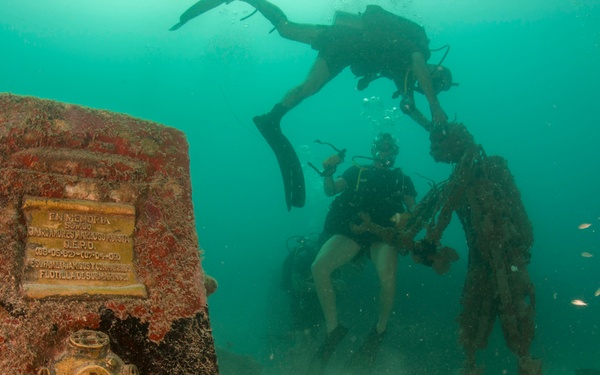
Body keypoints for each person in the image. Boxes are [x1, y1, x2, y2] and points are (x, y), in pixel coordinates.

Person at [170, 0, 456, 210]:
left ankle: (272, 117)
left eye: (439, 88)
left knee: (309, 88)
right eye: (439, 79)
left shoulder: (404, 75)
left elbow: (407, 107)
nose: (435, 84)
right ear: (439, 67)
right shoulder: (418, 52)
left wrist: (430, 126)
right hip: (347, 37)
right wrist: (435, 107)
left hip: (344, 51)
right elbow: (420, 68)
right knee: (285, 29)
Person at [308, 133, 416, 372]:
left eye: (390, 148)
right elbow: (330, 190)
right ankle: (333, 330)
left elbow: (413, 210)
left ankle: (379, 331)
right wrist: (328, 171)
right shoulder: (356, 171)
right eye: (382, 147)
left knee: (388, 280)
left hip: (384, 235)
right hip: (353, 232)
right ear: (374, 149)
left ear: (395, 152)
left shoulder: (402, 180)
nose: (385, 152)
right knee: (319, 267)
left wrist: (400, 223)